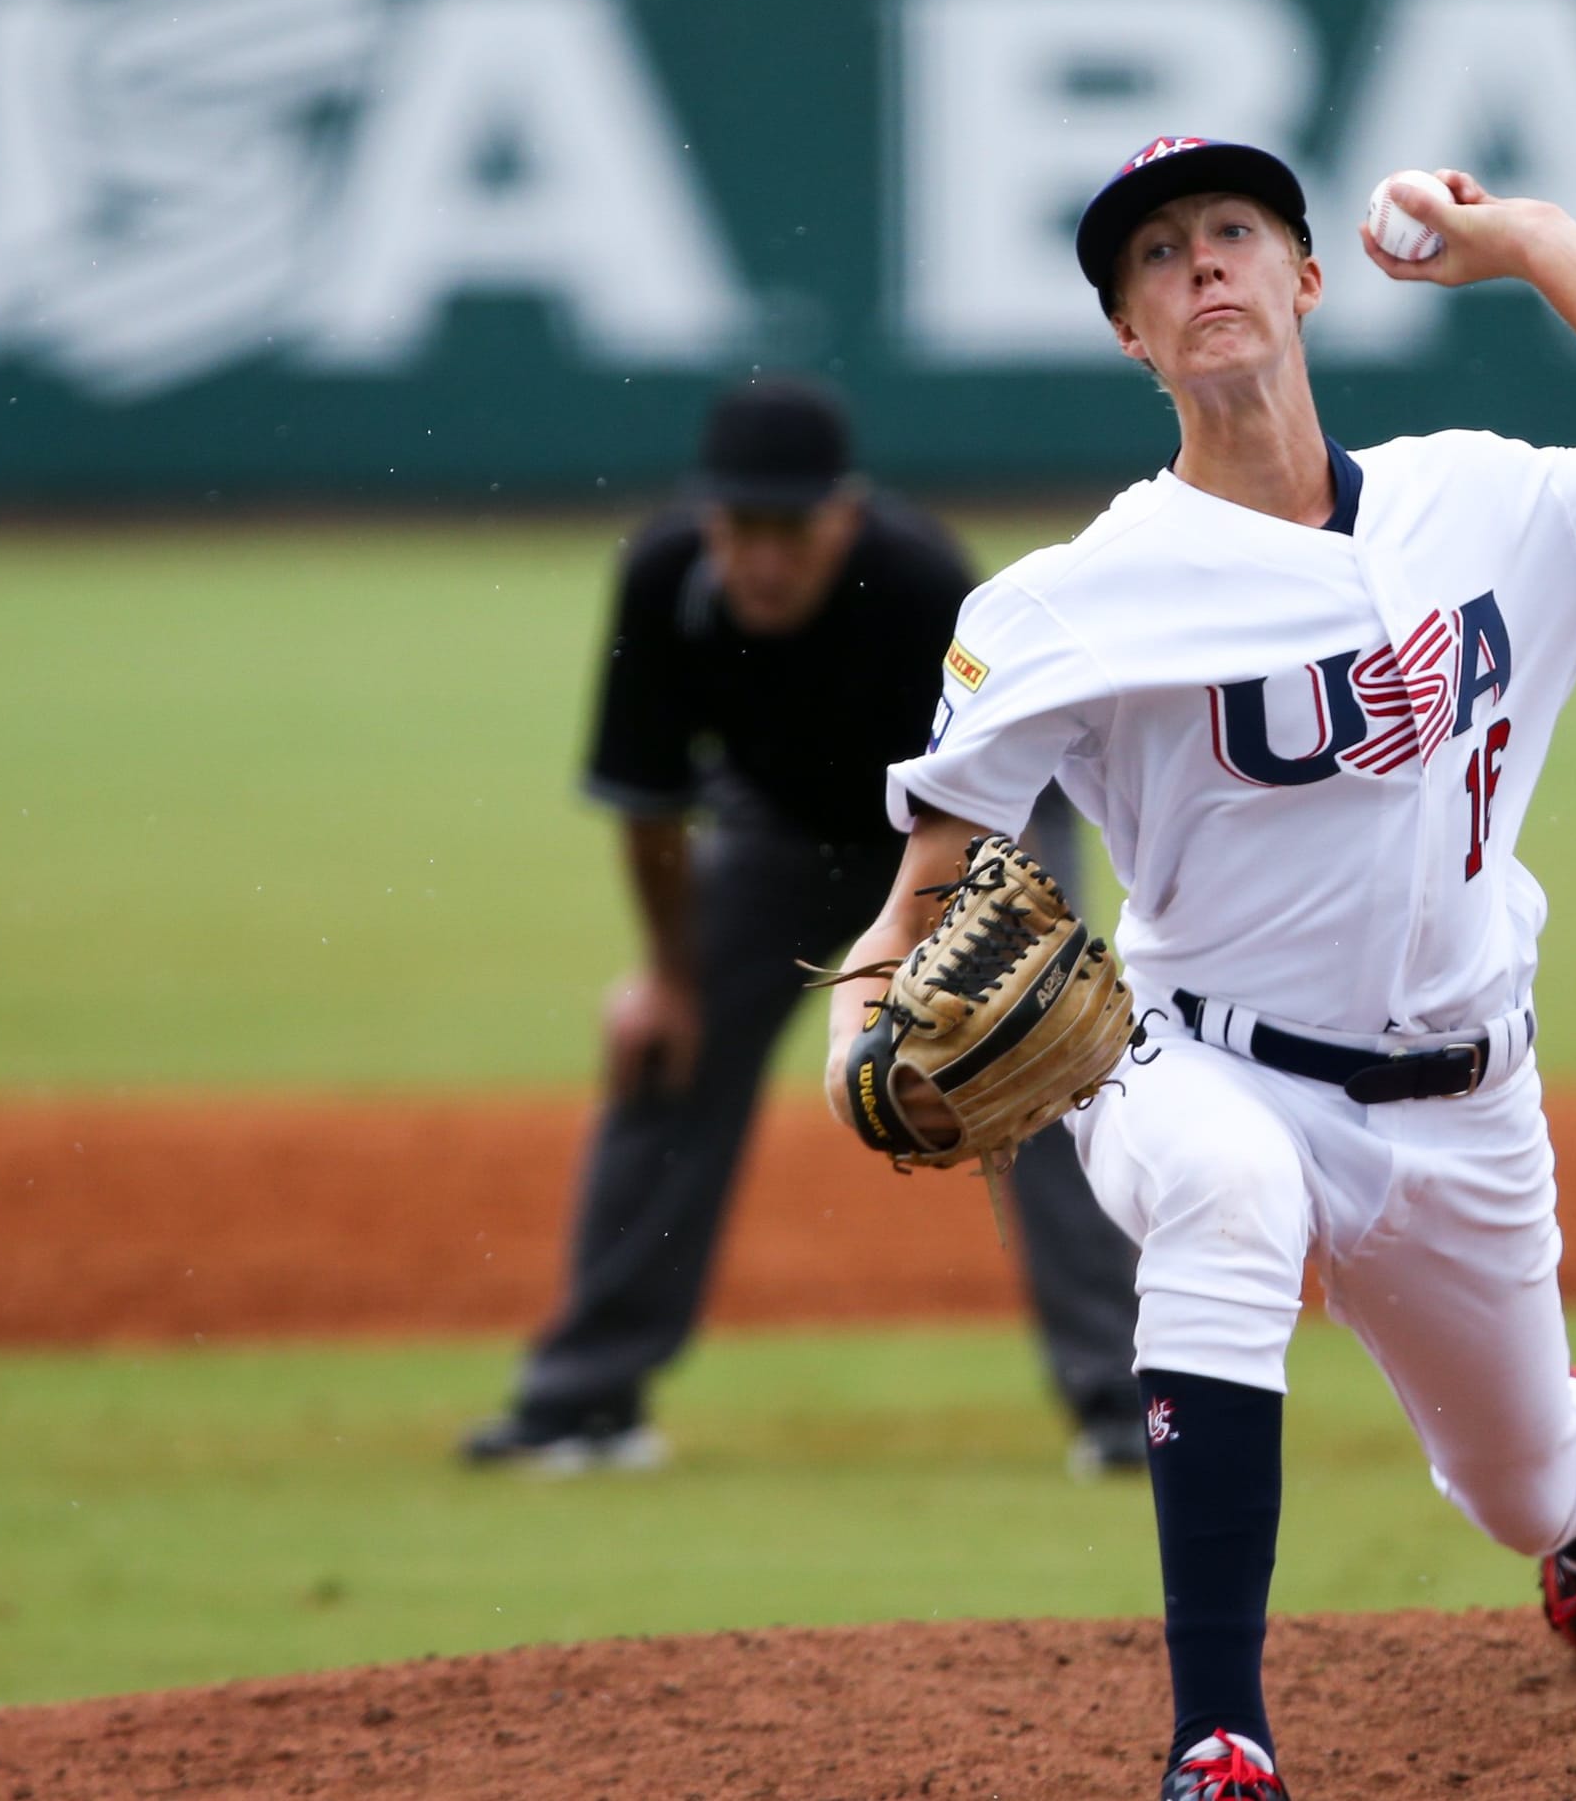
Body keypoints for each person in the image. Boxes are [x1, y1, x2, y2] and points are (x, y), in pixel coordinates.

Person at [816, 139, 1576, 1799]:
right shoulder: (1067, 601)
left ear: (1305, 279)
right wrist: (861, 1036)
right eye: (1152, 256)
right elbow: (918, 903)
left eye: (1229, 233)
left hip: (1464, 1098)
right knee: (1224, 1189)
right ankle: (1221, 1736)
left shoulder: (1489, 502)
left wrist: (1543, 239)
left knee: (1519, 1482)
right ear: (1130, 333)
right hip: (1200, 1054)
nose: (1197, 266)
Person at [463, 377, 1151, 1479]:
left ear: (844, 515)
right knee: (663, 1053)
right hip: (780, 837)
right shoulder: (663, 576)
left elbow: (1001, 773)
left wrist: (949, 941)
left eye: (792, 529)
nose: (764, 559)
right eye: (742, 529)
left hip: (964, 835)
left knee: (1035, 1059)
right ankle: (583, 1398)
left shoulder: (923, 578)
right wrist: (669, 979)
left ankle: (1125, 1402)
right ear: (707, 517)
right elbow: (650, 811)